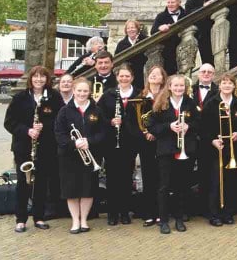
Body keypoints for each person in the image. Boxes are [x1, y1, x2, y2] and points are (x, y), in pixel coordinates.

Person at [4, 66, 64, 233]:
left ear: (47, 79)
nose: (39, 80)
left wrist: (44, 127)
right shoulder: (20, 98)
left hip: (46, 147)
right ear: (31, 79)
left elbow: (60, 120)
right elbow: (9, 122)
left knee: (42, 184)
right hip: (24, 147)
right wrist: (27, 130)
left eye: (42, 77)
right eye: (36, 77)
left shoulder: (54, 97)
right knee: (24, 183)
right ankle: (21, 219)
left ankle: (39, 217)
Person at [54, 77, 106, 234]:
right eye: (79, 91)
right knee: (71, 190)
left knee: (87, 189)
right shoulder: (64, 111)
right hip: (69, 156)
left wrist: (89, 141)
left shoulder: (97, 110)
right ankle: (75, 220)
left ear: (89, 92)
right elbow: (59, 133)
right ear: (74, 91)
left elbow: (103, 133)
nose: (82, 93)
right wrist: (74, 144)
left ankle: (84, 219)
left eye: (85, 91)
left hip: (91, 155)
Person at [148, 74, 199, 234]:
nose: (179, 89)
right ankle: (163, 221)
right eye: (176, 86)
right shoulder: (160, 104)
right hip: (166, 150)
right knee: (164, 186)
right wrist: (169, 126)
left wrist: (188, 127)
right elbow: (151, 127)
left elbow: (199, 123)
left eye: (181, 86)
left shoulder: (190, 103)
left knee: (182, 186)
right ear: (169, 87)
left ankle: (179, 219)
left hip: (185, 150)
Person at [97, 64, 141, 226]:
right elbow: (99, 116)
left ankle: (124, 212)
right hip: (111, 142)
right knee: (112, 178)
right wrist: (110, 121)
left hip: (130, 142)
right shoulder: (108, 95)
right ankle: (112, 212)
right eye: (121, 76)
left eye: (127, 76)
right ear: (117, 77)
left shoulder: (138, 94)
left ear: (132, 78)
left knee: (126, 178)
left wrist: (126, 123)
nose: (124, 79)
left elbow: (141, 118)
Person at [201, 73, 237, 226]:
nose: (227, 85)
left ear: (234, 86)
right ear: (219, 86)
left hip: (234, 149)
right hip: (216, 148)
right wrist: (212, 140)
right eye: (224, 83)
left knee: (231, 181)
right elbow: (203, 127)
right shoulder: (211, 103)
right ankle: (214, 214)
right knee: (215, 181)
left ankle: (228, 212)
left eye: (230, 83)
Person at [134, 65, 166, 227]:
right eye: (151, 74)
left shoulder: (166, 97)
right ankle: (149, 213)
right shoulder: (141, 96)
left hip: (162, 141)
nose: (154, 76)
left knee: (162, 178)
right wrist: (145, 133)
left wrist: (156, 132)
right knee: (148, 177)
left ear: (163, 78)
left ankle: (161, 214)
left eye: (157, 74)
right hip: (145, 142)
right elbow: (135, 120)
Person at [190, 63, 218, 213]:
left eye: (209, 72)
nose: (206, 74)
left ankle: (208, 208)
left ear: (213, 75)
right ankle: (191, 207)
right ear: (198, 74)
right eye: (203, 71)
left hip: (208, 139)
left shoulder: (218, 91)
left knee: (207, 173)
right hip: (191, 138)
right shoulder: (190, 90)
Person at [184, 0, 217, 66]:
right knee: (207, 58)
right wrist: (203, 6)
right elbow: (187, 13)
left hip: (217, 29)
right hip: (202, 33)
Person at [151, 0, 186, 75]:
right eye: (168, 2)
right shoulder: (161, 16)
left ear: (179, 2)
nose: (170, 5)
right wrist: (159, 28)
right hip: (167, 52)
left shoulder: (186, 14)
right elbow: (153, 32)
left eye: (172, 2)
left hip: (184, 49)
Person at [113, 20, 147, 89]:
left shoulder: (145, 40)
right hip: (127, 74)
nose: (130, 30)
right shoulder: (121, 44)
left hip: (142, 73)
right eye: (128, 28)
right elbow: (117, 60)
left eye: (133, 27)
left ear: (137, 29)